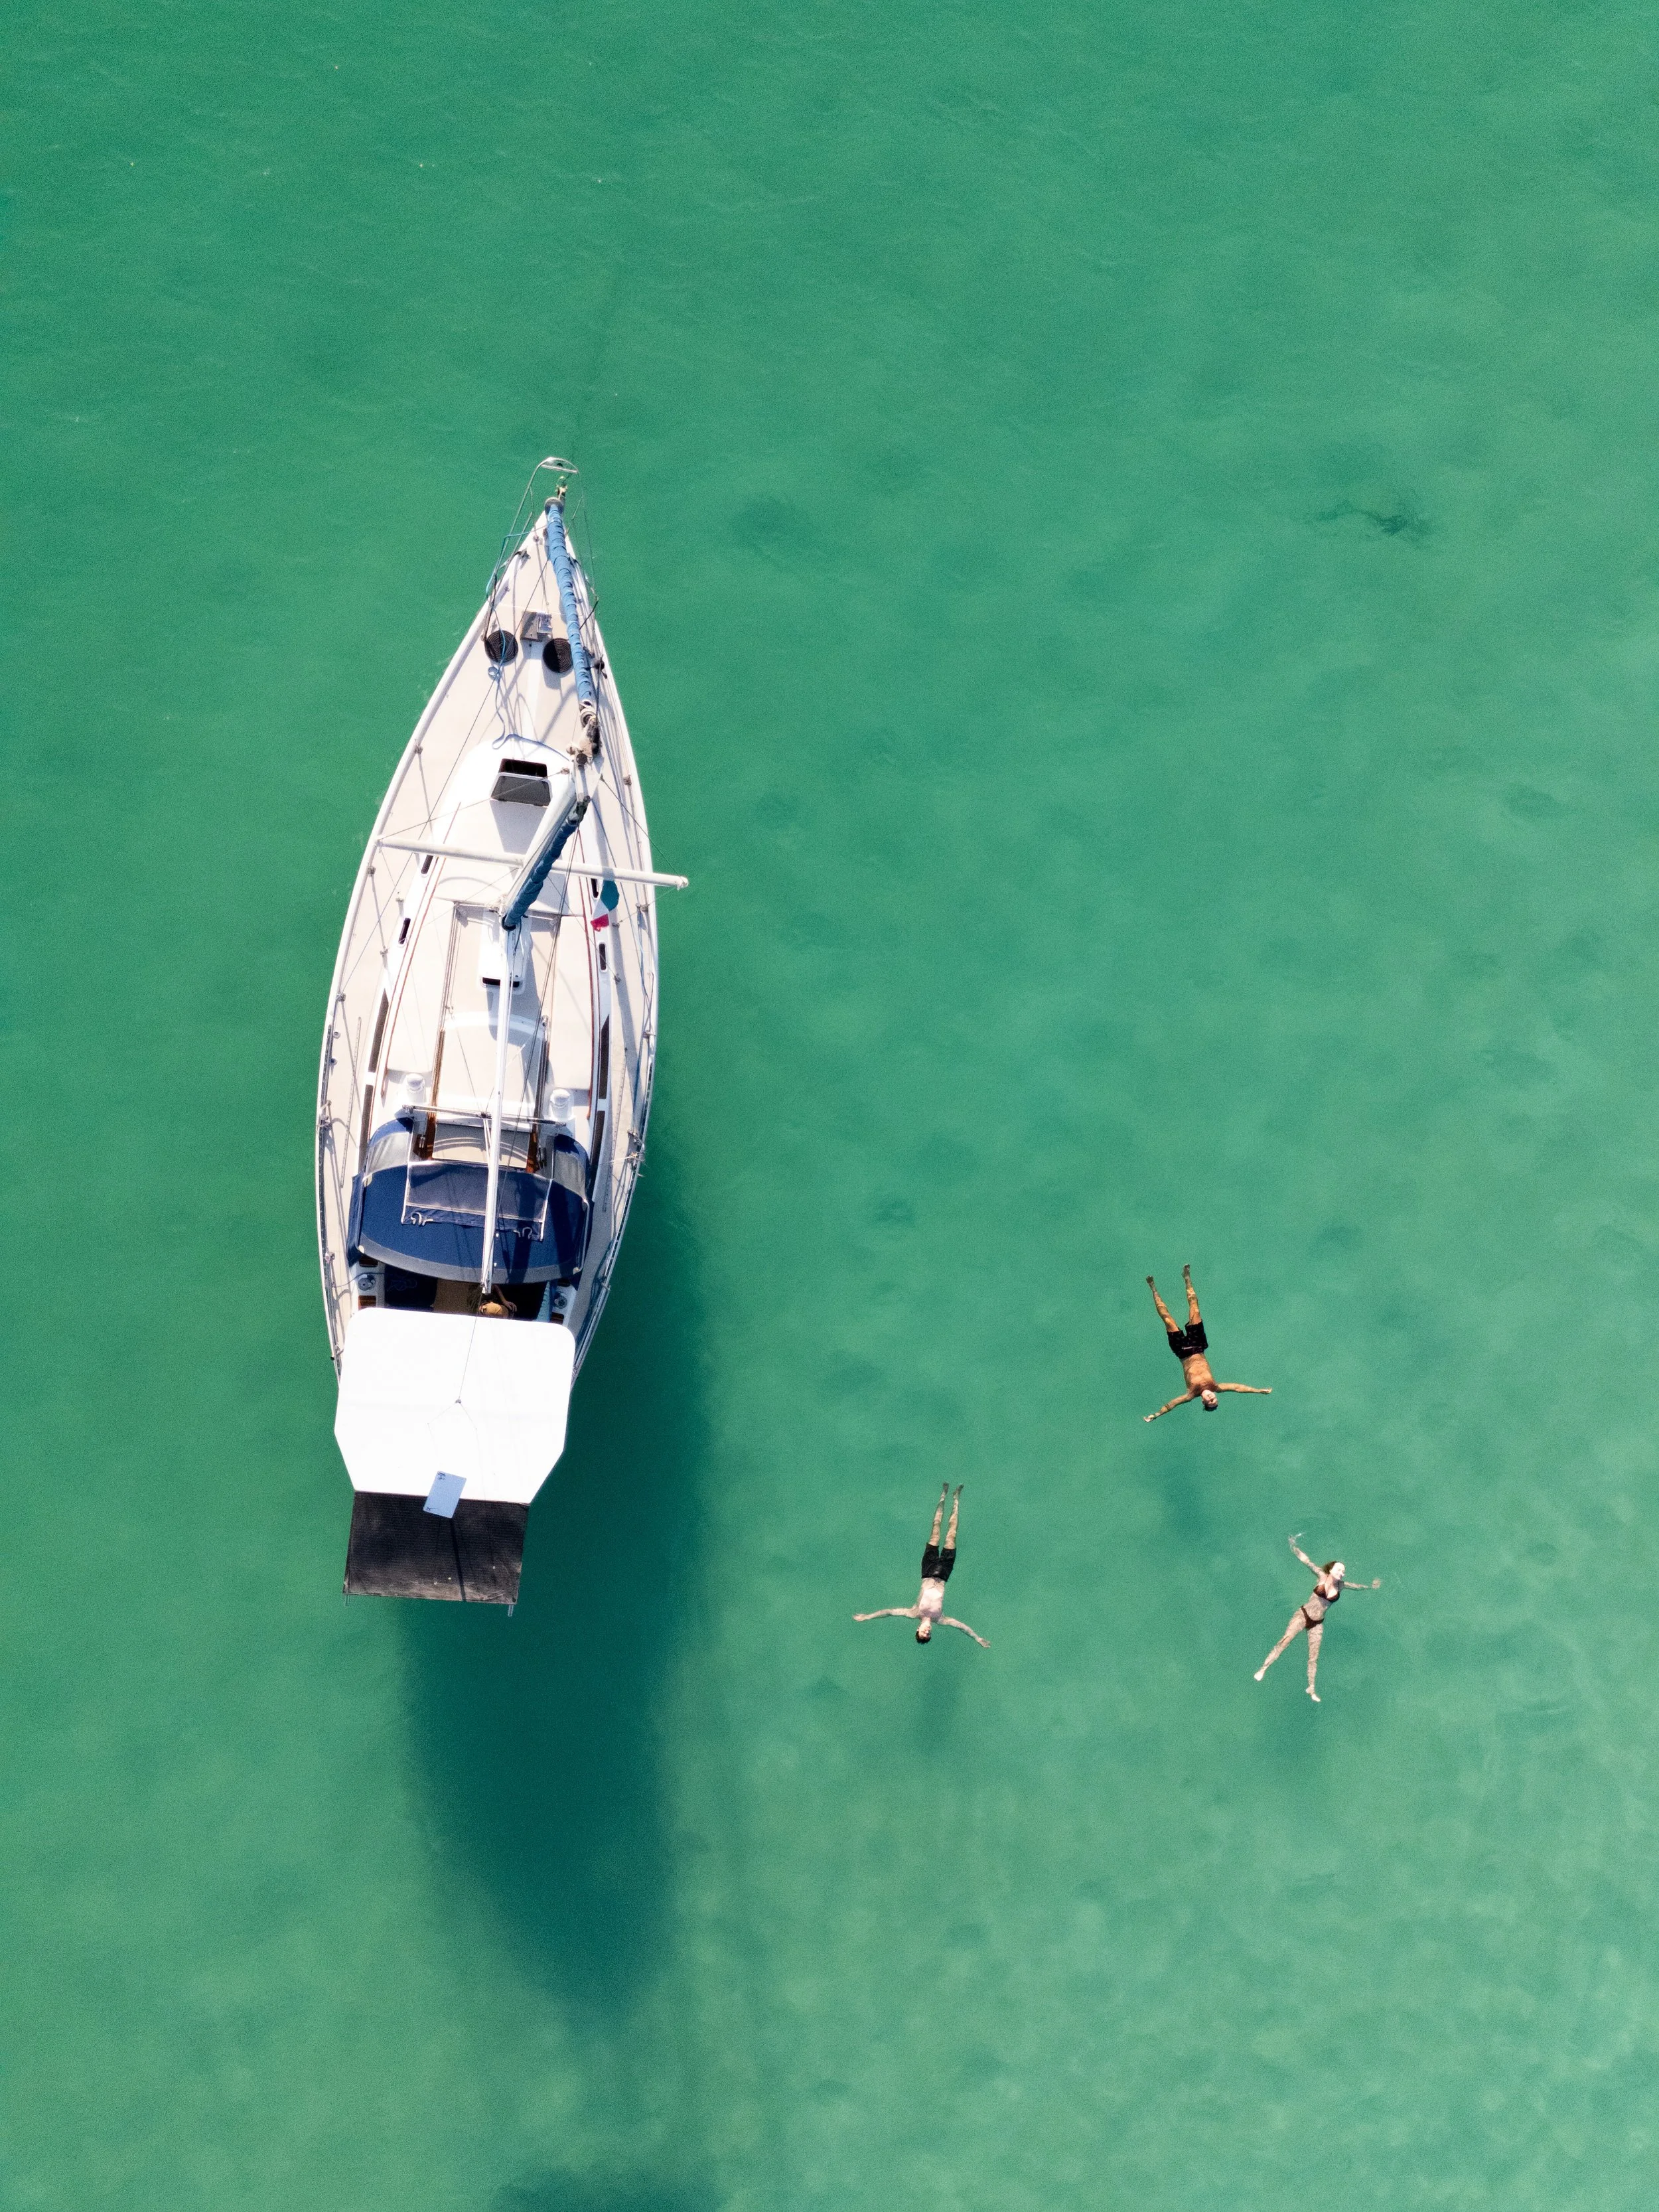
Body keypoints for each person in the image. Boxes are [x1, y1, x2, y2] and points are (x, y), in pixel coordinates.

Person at [855, 1484, 989, 1647]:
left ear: (918, 1629)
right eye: (929, 1635)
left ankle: (943, 1495)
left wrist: (868, 1617)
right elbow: (962, 1627)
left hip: (927, 1570)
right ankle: (956, 1499)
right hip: (944, 1573)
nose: (927, 1632)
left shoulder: (914, 1612)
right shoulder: (941, 1619)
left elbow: (889, 1612)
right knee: (952, 1533)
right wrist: (977, 1639)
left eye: (923, 1633)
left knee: (936, 1529)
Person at [1254, 1534, 1381, 1701]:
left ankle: (1311, 1689)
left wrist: (1371, 1587)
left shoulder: (1342, 1586)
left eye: (1343, 1571)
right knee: (1285, 1641)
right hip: (1303, 1615)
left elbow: (1357, 1587)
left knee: (1314, 1657)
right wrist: (1293, 1546)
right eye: (1339, 1569)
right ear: (1331, 1570)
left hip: (1317, 1624)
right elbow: (1306, 1561)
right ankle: (1264, 1668)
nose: (1342, 1573)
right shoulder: (1321, 1576)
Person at [1144, 1264, 1271, 1420]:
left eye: (1210, 1401)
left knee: (1167, 1319)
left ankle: (1153, 1288)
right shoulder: (1215, 1386)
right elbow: (1238, 1387)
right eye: (1215, 1400)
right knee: (1195, 1309)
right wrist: (1258, 1391)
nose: (1212, 1398)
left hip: (1182, 1351)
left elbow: (1172, 1404)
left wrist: (1156, 1415)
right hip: (1198, 1346)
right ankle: (1187, 1278)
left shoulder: (1191, 1394)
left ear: (1203, 1402)